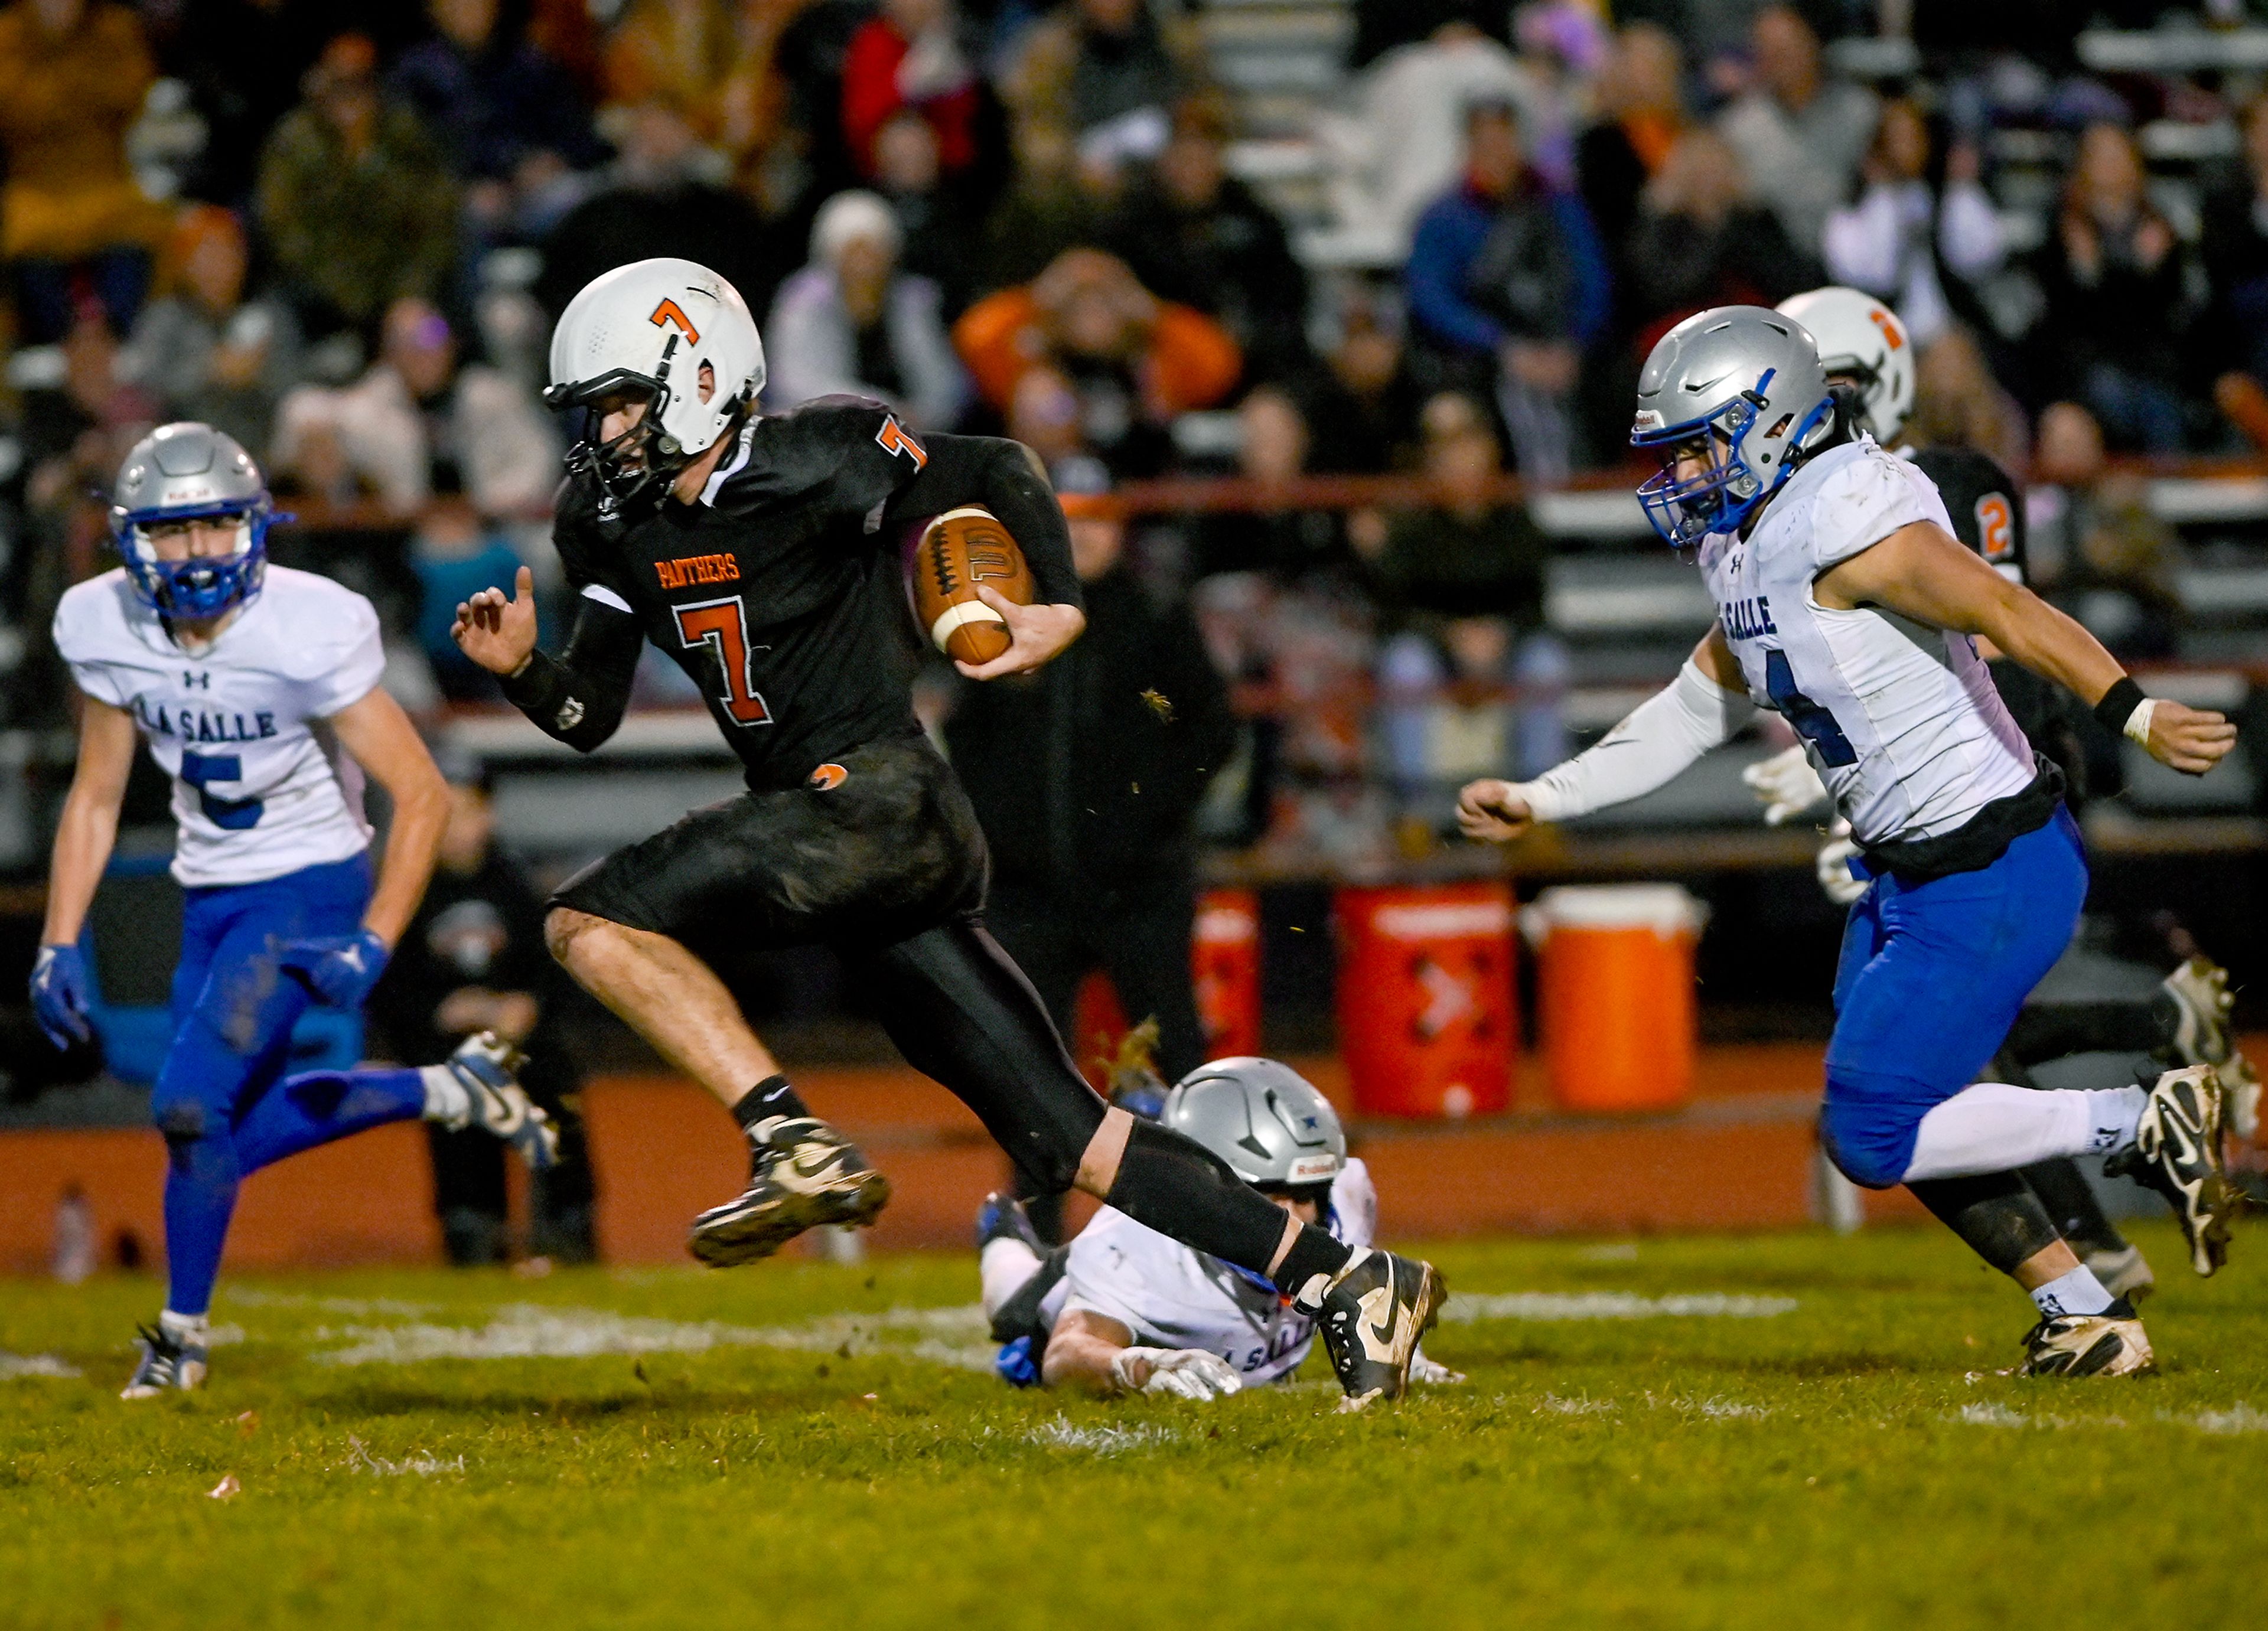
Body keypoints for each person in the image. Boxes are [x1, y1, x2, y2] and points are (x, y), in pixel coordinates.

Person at [448, 257, 1444, 1408]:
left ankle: (788, 1138)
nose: (604, 431)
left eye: (621, 400)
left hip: (876, 799)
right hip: (846, 831)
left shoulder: (822, 453)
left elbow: (996, 467)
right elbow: (591, 713)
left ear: (699, 377)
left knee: (580, 919)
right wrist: (524, 669)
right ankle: (1357, 1282)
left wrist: (1056, 599)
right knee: (1076, 1138)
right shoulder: (610, 525)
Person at [1457, 305, 2241, 1378]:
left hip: (1989, 862)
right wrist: (1545, 795)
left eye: (1699, 441)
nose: (1681, 471)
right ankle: (2086, 1310)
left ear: (1770, 421)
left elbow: (2007, 611)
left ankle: (2142, 1116)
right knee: (1899, 1102)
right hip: (1912, 874)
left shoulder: (1848, 514)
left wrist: (2138, 713)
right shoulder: (1747, 538)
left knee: (1870, 1131)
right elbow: (1693, 710)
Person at [1752, 285, 2258, 1301]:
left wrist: (2123, 714)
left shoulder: (1903, 489)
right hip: (1947, 801)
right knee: (1942, 1066)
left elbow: (1997, 622)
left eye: (1836, 384)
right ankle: (2095, 1252)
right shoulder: (1814, 510)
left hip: (1986, 793)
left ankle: (2136, 1137)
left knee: (1926, 1076)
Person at [31, 423, 558, 1398]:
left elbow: (423, 792)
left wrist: (374, 937)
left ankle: (181, 1339)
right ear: (133, 540)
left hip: (309, 881)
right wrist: (58, 937)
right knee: (214, 1124)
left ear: (254, 527)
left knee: (190, 1103)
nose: (196, 554)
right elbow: (98, 792)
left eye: (215, 528)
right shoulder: (100, 622)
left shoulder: (308, 623)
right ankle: (445, 1090)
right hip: (208, 886)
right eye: (173, 532)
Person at [943, 490, 1235, 1091]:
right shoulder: (1003, 617)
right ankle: (1036, 1190)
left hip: (1141, 887)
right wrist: (1001, 827)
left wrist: (1150, 816)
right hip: (1030, 893)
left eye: (1097, 518)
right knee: (1030, 1069)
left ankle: (1214, 1180)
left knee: (1176, 1050)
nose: (1084, 535)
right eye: (1067, 520)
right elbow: (967, 733)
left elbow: (1212, 730)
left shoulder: (1156, 614)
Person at [978, 1057, 1463, 1395]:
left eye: (1305, 1196)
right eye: (1269, 1198)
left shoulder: (1347, 1191)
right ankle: (1003, 1230)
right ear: (1213, 1191)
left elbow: (1360, 1302)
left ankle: (1154, 1117)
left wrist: (1405, 1357)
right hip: (1067, 1278)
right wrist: (1136, 1367)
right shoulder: (1134, 1246)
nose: (1293, 1219)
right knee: (1012, 1306)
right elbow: (1066, 1354)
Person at [369, 758, 598, 1265]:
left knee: (554, 1086)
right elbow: (385, 984)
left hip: (520, 1039)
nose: (455, 830)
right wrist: (439, 1010)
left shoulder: (518, 884)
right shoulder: (408, 890)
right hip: (444, 1042)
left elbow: (553, 967)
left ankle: (568, 1220)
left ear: (487, 816)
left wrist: (525, 1006)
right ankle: (472, 1221)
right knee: (455, 1090)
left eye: (466, 814)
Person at [1405, 97, 1610, 484]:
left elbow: (1593, 281)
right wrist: (1502, 347)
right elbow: (1431, 299)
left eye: (1504, 140)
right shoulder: (1442, 218)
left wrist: (1572, 345)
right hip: (1482, 361)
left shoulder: (1560, 208)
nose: (1497, 153)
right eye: (1485, 143)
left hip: (1566, 351)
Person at [254, 33, 461, 335]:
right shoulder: (294, 142)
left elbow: (438, 219)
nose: (350, 96)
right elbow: (287, 235)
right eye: (340, 82)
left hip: (407, 295)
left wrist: (409, 293)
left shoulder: (405, 134)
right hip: (324, 303)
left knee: (433, 332)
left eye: (360, 81)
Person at [0, 0, 168, 342]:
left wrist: (56, 82)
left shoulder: (114, 27)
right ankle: (58, 345)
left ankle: (118, 342)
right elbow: (15, 109)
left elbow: (131, 92)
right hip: (35, 186)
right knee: (22, 240)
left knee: (144, 233)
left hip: (107, 180)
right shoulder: (8, 33)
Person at [2029, 123, 2194, 455]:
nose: (2110, 167)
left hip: (2153, 367)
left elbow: (2169, 319)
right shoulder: (2062, 233)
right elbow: (2062, 323)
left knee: (2162, 403)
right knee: (2108, 391)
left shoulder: (2159, 232)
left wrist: (2152, 273)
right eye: (2100, 157)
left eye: (2118, 155)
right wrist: (2086, 273)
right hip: (2087, 371)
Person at [763, 190, 970, 429]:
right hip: (821, 438)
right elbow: (793, 383)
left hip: (909, 440)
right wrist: (882, 409)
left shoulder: (913, 301)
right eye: (854, 253)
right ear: (831, 256)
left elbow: (945, 388)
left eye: (874, 252)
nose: (864, 266)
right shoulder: (803, 302)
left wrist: (920, 421)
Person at [1820, 100, 2005, 353]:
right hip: (1881, 337)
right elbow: (1876, 276)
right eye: (1894, 138)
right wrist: (1883, 195)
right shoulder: (1853, 211)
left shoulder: (1948, 197)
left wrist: (1964, 188)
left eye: (1913, 137)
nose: (1904, 149)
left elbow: (1983, 257)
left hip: (1949, 332)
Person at [1712, 5, 1877, 259]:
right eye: (1770, 52)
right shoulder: (1737, 127)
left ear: (1813, 44)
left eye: (1788, 49)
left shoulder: (1861, 111)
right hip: (1776, 264)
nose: (1781, 61)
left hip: (1856, 254)